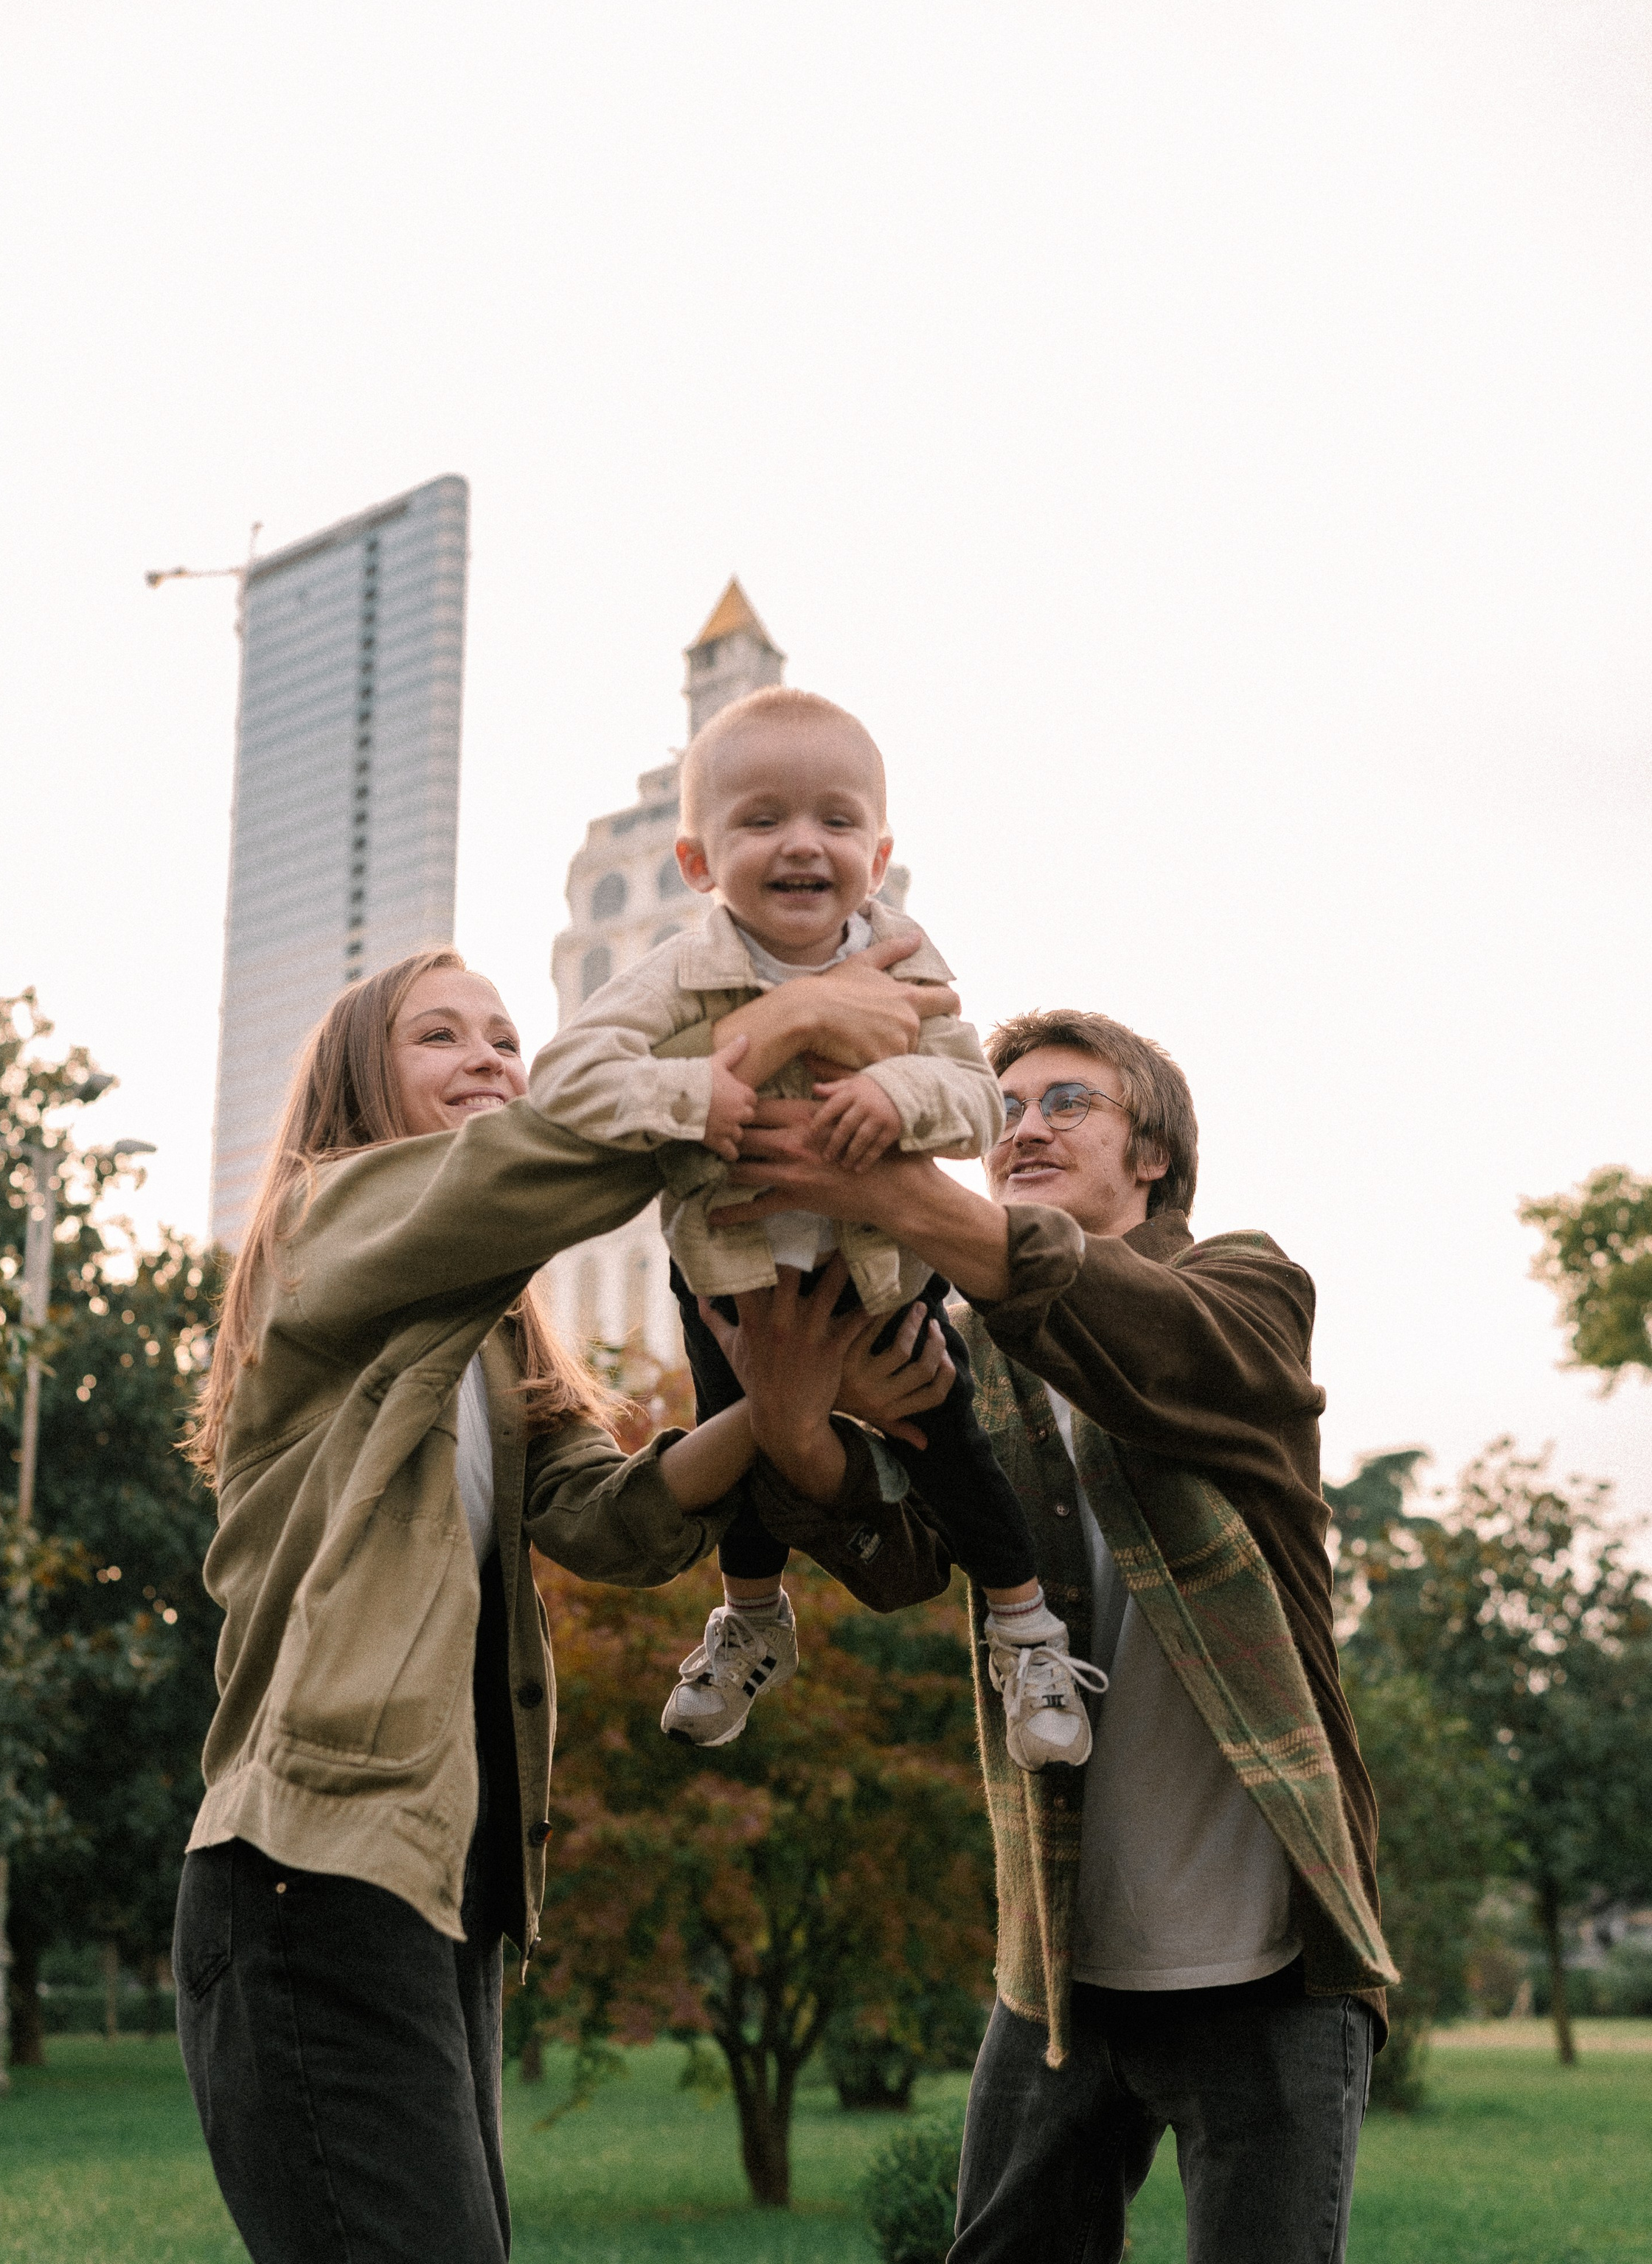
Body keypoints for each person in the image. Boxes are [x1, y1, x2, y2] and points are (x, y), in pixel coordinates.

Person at [173, 944, 954, 2264]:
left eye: (503, 1035)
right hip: (308, 1873)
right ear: (358, 1086)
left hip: (441, 1892)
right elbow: (522, 1171)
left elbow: (611, 1515)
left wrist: (774, 1412)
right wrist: (784, 1023)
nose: (490, 1055)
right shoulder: (325, 1230)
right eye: (442, 1038)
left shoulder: (482, 1337)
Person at [713, 1008, 1395, 2264]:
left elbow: (1152, 1349)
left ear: (1154, 1157)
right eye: (1003, 1107)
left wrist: (901, 1194)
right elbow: (902, 1554)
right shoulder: (962, 1359)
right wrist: (799, 1418)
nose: (1024, 1126)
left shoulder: (1246, 1290)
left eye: (1066, 1102)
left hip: (1275, 1967)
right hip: (1061, 1968)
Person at [530, 686, 1094, 1764]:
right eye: (762, 820)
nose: (802, 845)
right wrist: (694, 1093)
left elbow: (975, 1100)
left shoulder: (905, 966)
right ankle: (749, 1619)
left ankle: (1027, 1632)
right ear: (697, 863)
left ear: (876, 857)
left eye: (835, 821)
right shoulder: (679, 970)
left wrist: (898, 1098)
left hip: (878, 1275)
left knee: (948, 1442)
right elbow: (567, 1077)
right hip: (731, 1267)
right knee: (728, 1438)